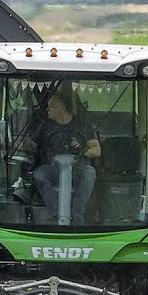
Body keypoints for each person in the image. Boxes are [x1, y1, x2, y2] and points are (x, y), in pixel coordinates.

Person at [30, 90, 101, 223]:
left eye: (51, 107)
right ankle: (56, 213)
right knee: (39, 174)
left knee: (89, 172)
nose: (47, 109)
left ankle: (76, 216)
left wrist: (81, 149)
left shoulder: (82, 126)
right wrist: (22, 145)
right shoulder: (45, 126)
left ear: (62, 108)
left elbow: (96, 151)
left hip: (77, 169)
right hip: (53, 170)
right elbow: (32, 145)